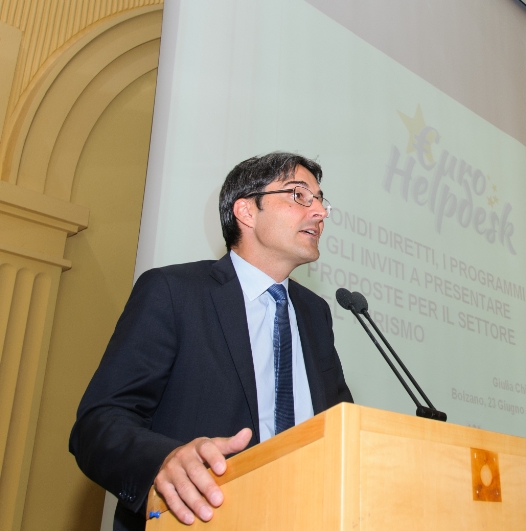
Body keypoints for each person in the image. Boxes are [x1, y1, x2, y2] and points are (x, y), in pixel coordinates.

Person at [70, 152, 353, 531]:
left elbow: (338, 426)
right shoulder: (174, 292)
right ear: (246, 211)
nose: (319, 212)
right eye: (299, 195)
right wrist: (163, 460)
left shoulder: (315, 312)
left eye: (320, 201)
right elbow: (98, 424)